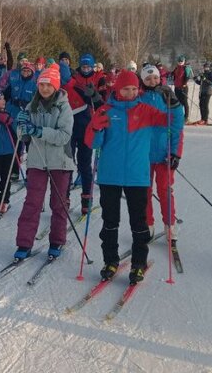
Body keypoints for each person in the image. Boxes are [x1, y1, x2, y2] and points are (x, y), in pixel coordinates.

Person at [85, 70, 169, 285]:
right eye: (126, 89)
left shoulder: (147, 110)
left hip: (137, 176)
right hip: (109, 175)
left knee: (139, 223)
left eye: (134, 89)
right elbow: (92, 143)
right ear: (117, 89)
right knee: (110, 222)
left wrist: (175, 105)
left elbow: (171, 123)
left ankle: (138, 264)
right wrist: (95, 127)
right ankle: (110, 261)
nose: (130, 93)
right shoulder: (106, 110)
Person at [12, 65, 75, 261]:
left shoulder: (64, 107)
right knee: (32, 202)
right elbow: (23, 137)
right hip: (37, 160)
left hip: (60, 162)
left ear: (55, 86)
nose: (45, 89)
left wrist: (39, 131)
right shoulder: (31, 106)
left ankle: (57, 241)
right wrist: (20, 125)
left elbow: (64, 136)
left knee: (58, 204)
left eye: (49, 85)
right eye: (42, 85)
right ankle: (24, 243)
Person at [139, 65, 184, 243]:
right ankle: (147, 225)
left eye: (155, 78)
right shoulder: (139, 98)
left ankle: (170, 225)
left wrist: (175, 153)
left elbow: (177, 128)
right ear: (142, 80)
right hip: (144, 154)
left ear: (160, 78)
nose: (152, 81)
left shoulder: (167, 96)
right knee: (145, 191)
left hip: (165, 154)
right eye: (148, 79)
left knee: (165, 190)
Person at [64, 54, 107, 214]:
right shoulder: (73, 79)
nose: (86, 70)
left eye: (89, 67)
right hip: (69, 126)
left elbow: (103, 103)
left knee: (85, 165)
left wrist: (94, 96)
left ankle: (86, 199)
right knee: (67, 164)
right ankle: (65, 197)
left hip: (87, 127)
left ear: (93, 66)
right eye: (84, 67)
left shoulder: (99, 78)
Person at [172, 55, 193, 122]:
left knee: (184, 102)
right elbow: (174, 75)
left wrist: (184, 83)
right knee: (178, 103)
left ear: (184, 61)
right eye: (179, 61)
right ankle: (180, 116)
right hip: (177, 87)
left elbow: (187, 76)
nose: (180, 62)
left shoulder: (186, 68)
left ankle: (186, 117)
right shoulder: (176, 68)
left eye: (182, 61)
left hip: (183, 87)